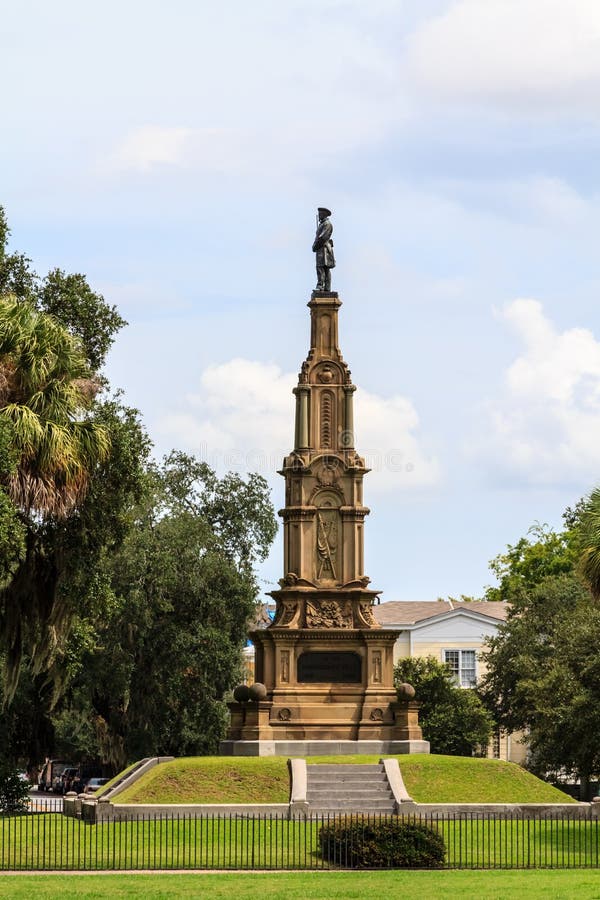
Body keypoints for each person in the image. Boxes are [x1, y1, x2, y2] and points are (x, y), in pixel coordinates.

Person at [312, 207, 335, 291]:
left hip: (324, 249)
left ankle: (321, 286)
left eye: (320, 214)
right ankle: (325, 287)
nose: (319, 216)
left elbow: (322, 237)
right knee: (324, 268)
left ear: (324, 214)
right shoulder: (322, 224)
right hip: (321, 249)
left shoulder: (327, 224)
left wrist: (315, 246)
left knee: (321, 267)